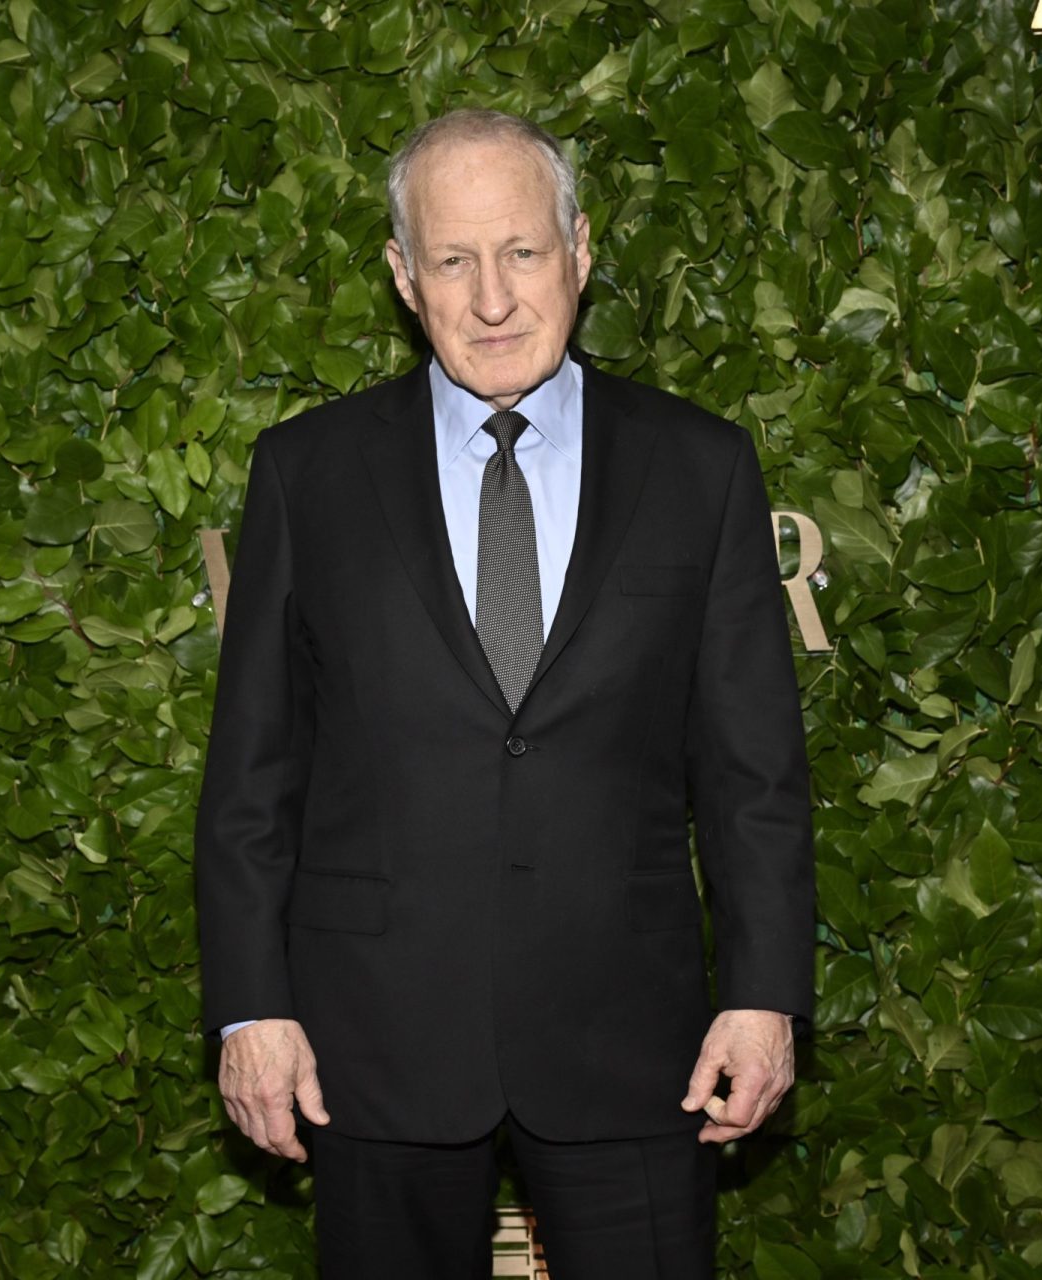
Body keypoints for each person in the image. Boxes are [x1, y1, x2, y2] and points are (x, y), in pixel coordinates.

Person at [194, 107, 815, 1280]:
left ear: (579, 250)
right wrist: (249, 1008)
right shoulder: (307, 473)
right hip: (372, 1045)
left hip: (637, 1046)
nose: (492, 299)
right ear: (402, 276)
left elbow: (755, 773)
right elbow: (251, 779)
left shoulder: (700, 466)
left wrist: (765, 993)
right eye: (452, 260)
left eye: (522, 252)